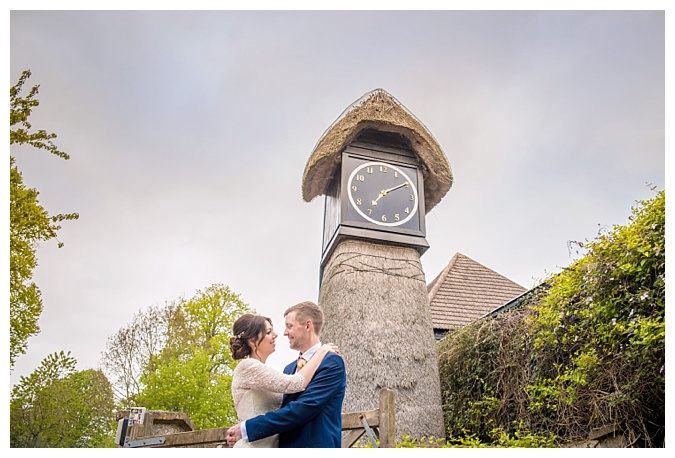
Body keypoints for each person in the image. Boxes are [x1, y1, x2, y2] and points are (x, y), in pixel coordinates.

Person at [227, 301, 346, 448]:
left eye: (289, 326)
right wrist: (244, 426)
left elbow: (304, 408)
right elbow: (281, 408)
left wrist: (246, 428)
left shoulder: (331, 362)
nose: (283, 333)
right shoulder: (289, 369)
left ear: (308, 325)